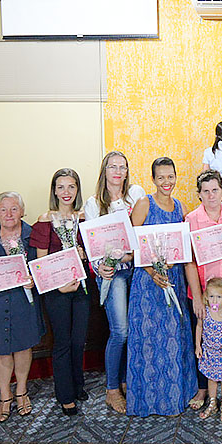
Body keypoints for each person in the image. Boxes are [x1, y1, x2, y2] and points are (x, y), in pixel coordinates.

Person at [127, 158, 200, 416]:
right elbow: (132, 244)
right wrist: (151, 271)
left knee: (173, 338)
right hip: (148, 283)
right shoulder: (144, 203)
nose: (167, 182)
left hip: (174, 279)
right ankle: (148, 401)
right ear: (153, 179)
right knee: (148, 340)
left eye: (171, 177)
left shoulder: (179, 206)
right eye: (161, 178)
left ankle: (174, 398)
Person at [0, 191, 45, 422]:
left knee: (23, 346)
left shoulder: (32, 235)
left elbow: (43, 266)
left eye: (14, 209)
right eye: (3, 209)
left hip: (24, 299)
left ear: (22, 211)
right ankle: (5, 396)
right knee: (0, 349)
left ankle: (22, 390)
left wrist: (35, 277)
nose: (9, 214)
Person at [85, 151, 147, 413]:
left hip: (138, 270)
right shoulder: (93, 203)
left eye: (122, 167)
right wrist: (99, 267)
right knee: (120, 331)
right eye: (113, 167)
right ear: (104, 171)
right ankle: (112, 389)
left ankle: (125, 381)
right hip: (113, 273)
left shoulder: (136, 195)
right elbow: (91, 244)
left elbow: (143, 231)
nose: (118, 172)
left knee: (134, 330)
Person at [30, 169, 90, 416]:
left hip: (82, 288)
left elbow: (92, 251)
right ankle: (64, 394)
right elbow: (40, 264)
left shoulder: (84, 217)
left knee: (79, 341)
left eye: (71, 187)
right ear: (54, 190)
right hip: (57, 291)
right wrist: (58, 286)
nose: (67, 192)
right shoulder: (46, 221)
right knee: (63, 342)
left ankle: (77, 384)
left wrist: (86, 255)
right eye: (61, 187)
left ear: (77, 190)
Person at [185, 170, 222, 411]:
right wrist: (197, 297)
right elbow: (188, 261)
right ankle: (202, 387)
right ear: (199, 195)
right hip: (204, 296)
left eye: (215, 190)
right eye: (206, 191)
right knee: (203, 340)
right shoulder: (191, 219)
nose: (211, 195)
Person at [195, 277, 222, 422]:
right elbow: (199, 327)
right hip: (209, 352)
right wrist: (198, 346)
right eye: (211, 296)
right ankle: (213, 402)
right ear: (206, 297)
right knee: (211, 378)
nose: (215, 300)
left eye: (219, 297)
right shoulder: (205, 312)